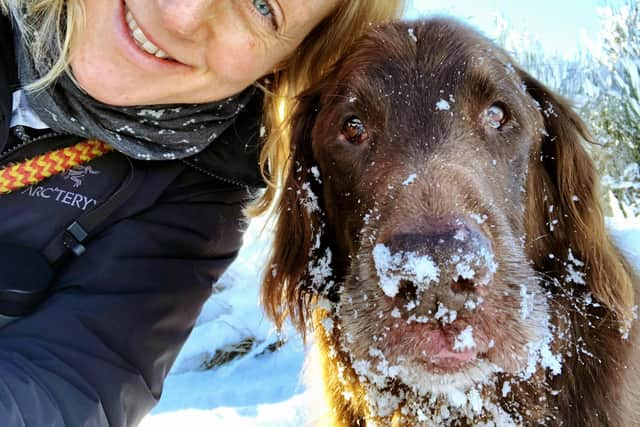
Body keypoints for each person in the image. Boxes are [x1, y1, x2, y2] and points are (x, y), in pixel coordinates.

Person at [0, 1, 405, 426]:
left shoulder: (192, 203)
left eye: (262, 6)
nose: (181, 14)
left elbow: (70, 382)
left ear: (288, 59)